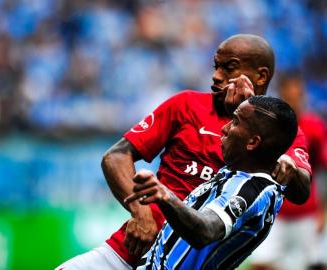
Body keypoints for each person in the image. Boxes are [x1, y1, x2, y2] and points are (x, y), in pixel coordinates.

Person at [55, 34, 311, 270]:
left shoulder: (281, 133)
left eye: (229, 68)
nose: (216, 76)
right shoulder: (186, 105)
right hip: (130, 250)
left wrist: (284, 162)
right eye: (216, 66)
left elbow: (301, 190)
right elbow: (116, 156)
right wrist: (141, 212)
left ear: (261, 76)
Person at [125, 95, 298, 269]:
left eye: (235, 122)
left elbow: (206, 230)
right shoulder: (238, 171)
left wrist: (164, 196)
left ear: (252, 142)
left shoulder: (250, 190)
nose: (224, 128)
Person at [250, 73, 327, 270]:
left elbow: (321, 169)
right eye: (290, 93)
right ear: (282, 94)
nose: (294, 98)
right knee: (261, 263)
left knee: (312, 264)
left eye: (298, 93)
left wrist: (322, 213)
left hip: (306, 214)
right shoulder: (270, 128)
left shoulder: (314, 127)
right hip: (275, 212)